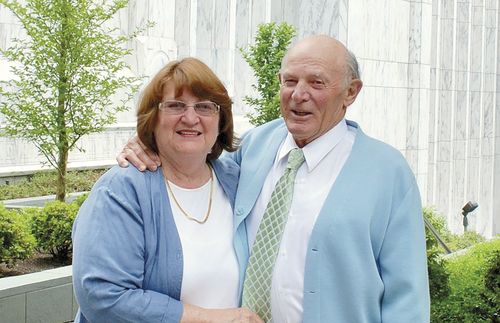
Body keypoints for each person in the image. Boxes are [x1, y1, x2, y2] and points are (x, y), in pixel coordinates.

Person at [118, 35, 430, 322]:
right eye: (290, 81)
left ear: (351, 91)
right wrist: (149, 142)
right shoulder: (256, 145)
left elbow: (407, 296)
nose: (299, 95)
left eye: (317, 83)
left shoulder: (387, 173)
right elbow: (194, 163)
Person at [72, 57, 262, 323]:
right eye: (175, 106)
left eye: (205, 107)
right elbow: (103, 296)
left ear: (221, 121)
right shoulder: (121, 190)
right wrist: (212, 319)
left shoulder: (235, 181)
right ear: (153, 117)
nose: (191, 118)